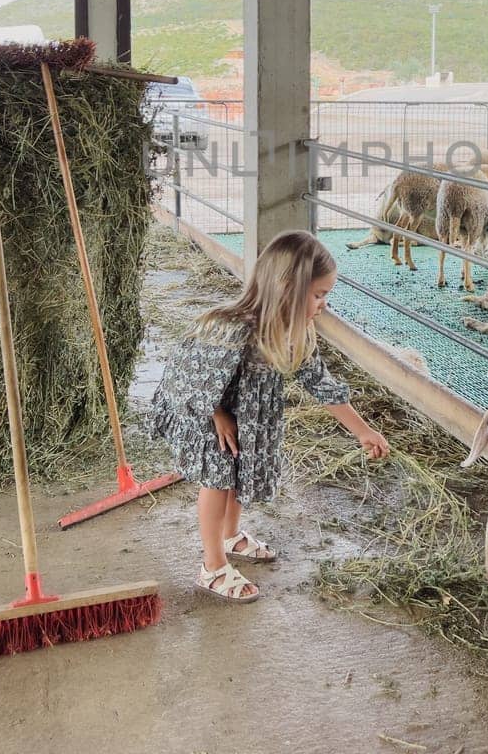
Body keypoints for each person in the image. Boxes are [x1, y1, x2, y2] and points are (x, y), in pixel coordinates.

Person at [150, 229, 391, 602]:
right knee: (217, 481)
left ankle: (230, 536)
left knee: (241, 473)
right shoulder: (233, 328)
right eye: (318, 294)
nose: (323, 304)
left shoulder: (293, 333)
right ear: (286, 287)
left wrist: (363, 431)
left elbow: (320, 384)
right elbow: (187, 373)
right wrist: (216, 413)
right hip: (210, 417)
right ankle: (211, 566)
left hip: (249, 420)